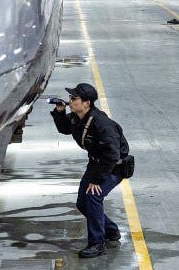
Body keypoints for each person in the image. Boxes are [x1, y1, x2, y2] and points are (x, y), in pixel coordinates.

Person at [50, 82, 130, 258]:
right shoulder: (78, 118)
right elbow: (65, 129)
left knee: (93, 197)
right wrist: (59, 112)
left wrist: (97, 180)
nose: (70, 101)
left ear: (87, 102)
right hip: (96, 164)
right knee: (82, 203)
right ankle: (111, 231)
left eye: (74, 98)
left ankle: (97, 243)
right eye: (70, 98)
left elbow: (112, 154)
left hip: (113, 167)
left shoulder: (101, 123)